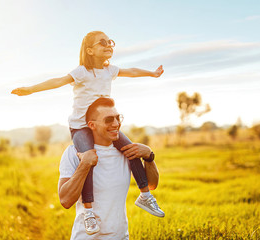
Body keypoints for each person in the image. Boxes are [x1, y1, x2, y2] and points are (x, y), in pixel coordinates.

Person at [11, 31, 164, 234]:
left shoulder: (110, 71)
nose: (109, 45)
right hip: (81, 127)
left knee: (132, 149)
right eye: (103, 42)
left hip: (103, 125)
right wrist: (31, 90)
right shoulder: (82, 72)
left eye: (110, 42)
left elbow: (133, 71)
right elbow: (57, 81)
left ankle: (145, 195)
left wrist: (152, 73)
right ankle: (88, 212)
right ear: (90, 50)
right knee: (89, 159)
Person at [58, 98, 164, 239]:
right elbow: (65, 200)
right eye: (108, 120)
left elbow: (151, 185)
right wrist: (84, 165)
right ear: (92, 125)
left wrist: (149, 157)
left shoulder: (127, 152)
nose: (116, 124)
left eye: (117, 118)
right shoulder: (74, 153)